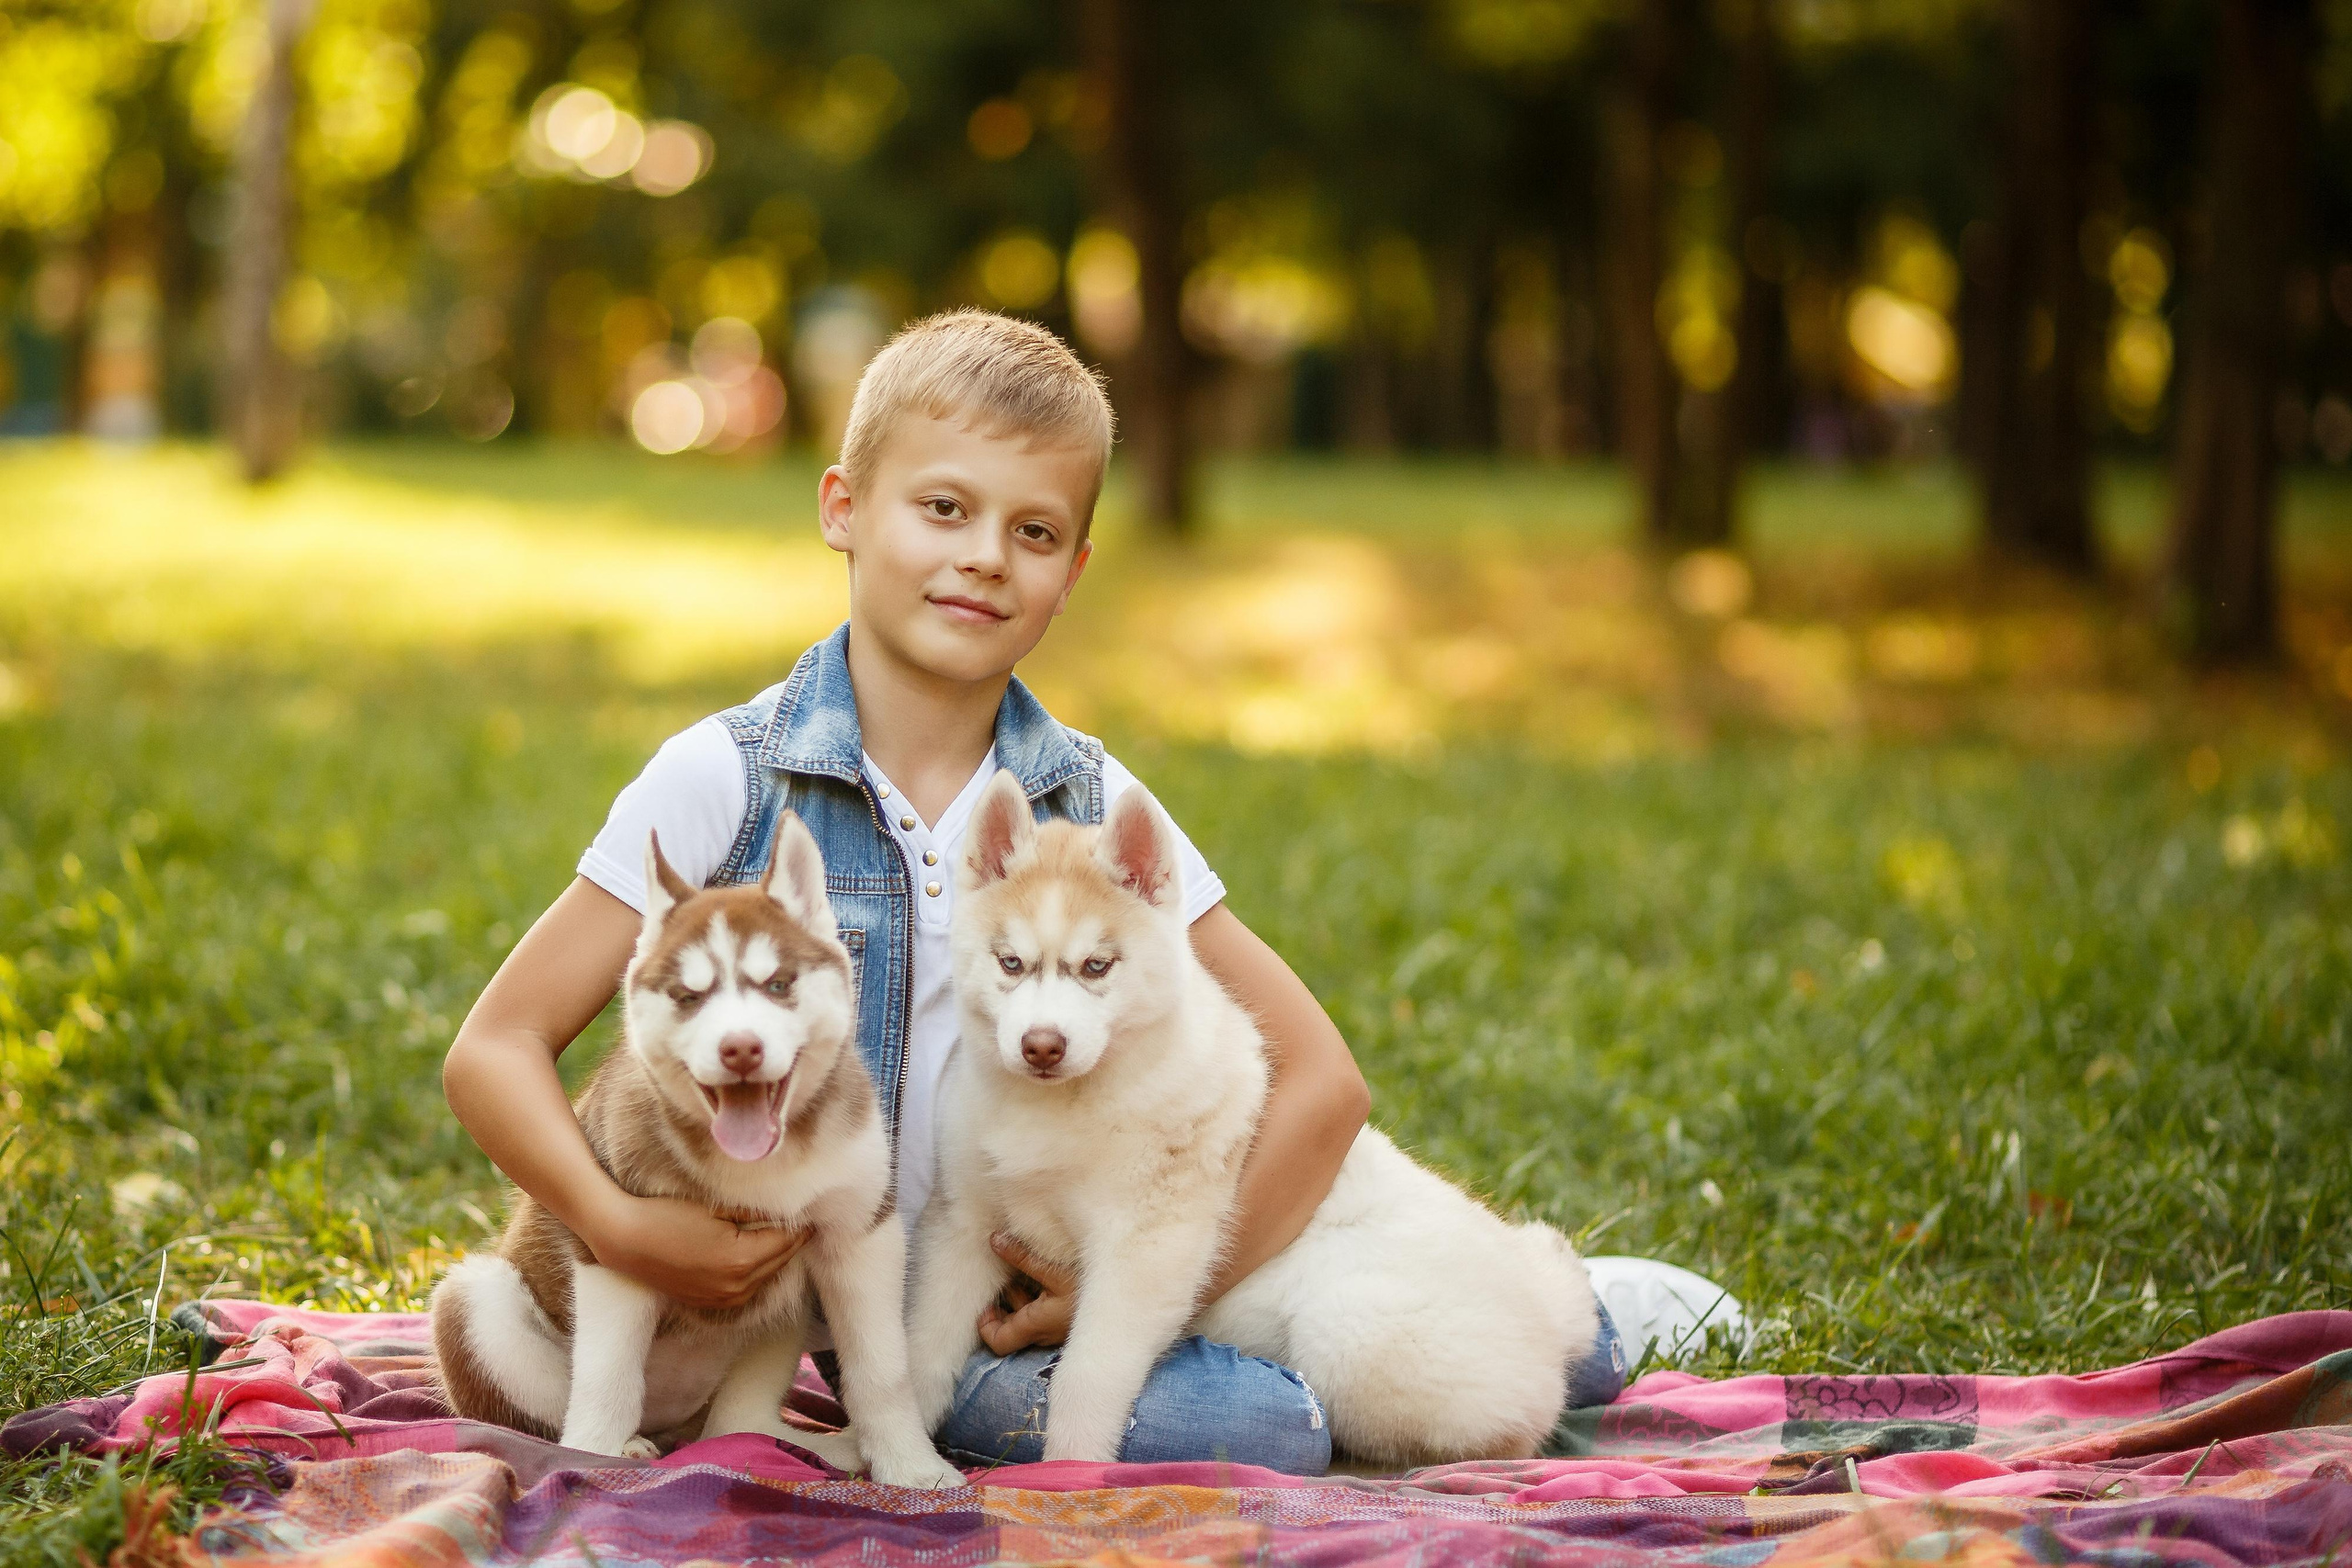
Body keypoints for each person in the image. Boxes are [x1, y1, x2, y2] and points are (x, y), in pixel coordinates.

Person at [442, 309, 1736, 1475]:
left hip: (1016, 1311)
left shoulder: (1094, 808)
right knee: (1264, 1425)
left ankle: (1567, 1310)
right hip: (871, 1328)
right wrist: (615, 1225)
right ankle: (1519, 1323)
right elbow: (494, 1050)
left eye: (1035, 532)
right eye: (942, 508)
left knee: (1307, 1398)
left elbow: (1325, 1083)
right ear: (842, 507)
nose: (984, 559)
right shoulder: (721, 778)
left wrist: (1145, 1296)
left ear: (1072, 570)